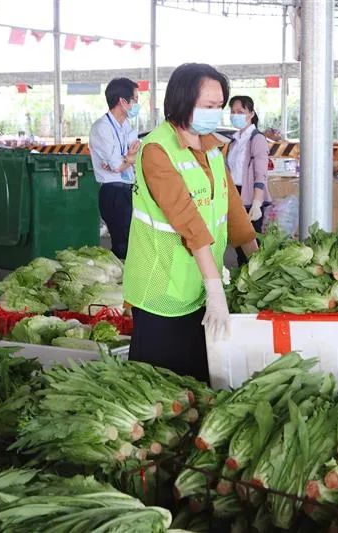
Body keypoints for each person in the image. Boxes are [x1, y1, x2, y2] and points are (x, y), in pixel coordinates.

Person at [123, 63, 259, 382]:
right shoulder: (157, 149)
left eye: (219, 106)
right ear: (183, 101)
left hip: (197, 286)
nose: (216, 113)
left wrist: (258, 263)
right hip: (161, 292)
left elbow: (232, 209)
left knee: (197, 386)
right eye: (209, 106)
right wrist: (216, 289)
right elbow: (188, 220)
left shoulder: (211, 146)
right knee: (160, 387)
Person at [89, 78, 141, 260]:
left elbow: (135, 154)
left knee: (134, 242)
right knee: (123, 244)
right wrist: (127, 158)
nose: (137, 104)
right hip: (113, 193)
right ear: (122, 101)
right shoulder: (102, 128)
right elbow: (118, 165)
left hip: (128, 188)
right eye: (135, 99)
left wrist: (126, 159)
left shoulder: (125, 125)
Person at [225, 95, 271, 265]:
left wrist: (257, 203)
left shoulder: (256, 139)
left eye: (240, 111)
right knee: (238, 242)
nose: (235, 115)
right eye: (233, 112)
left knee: (251, 245)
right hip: (235, 195)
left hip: (250, 197)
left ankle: (254, 281)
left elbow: (261, 173)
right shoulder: (234, 140)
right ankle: (241, 281)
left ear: (251, 114)